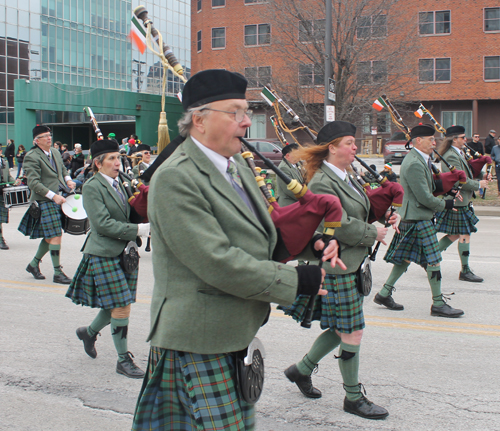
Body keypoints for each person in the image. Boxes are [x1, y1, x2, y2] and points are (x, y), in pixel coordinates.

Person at [132, 69, 341, 431]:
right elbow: (216, 261)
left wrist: (314, 242)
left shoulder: (237, 166)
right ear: (199, 120)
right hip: (197, 338)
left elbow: (263, 230)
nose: (247, 122)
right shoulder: (175, 178)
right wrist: (293, 280)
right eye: (236, 112)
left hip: (232, 331)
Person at [280, 121, 393, 420]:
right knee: (353, 330)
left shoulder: (348, 175)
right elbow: (337, 223)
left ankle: (300, 370)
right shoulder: (321, 181)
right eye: (348, 142)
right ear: (331, 148)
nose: (355, 147)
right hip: (336, 265)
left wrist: (383, 212)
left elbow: (360, 208)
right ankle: (353, 397)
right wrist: (373, 234)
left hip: (353, 263)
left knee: (342, 326)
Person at [65, 139, 150, 379]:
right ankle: (123, 360)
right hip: (104, 251)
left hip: (126, 253)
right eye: (111, 158)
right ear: (97, 163)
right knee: (121, 305)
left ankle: (88, 332)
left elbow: (130, 211)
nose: (117, 162)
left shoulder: (121, 183)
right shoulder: (92, 187)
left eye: (119, 158)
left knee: (114, 304)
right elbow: (102, 224)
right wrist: (140, 230)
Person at [373, 124, 464, 317]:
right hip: (418, 217)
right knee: (433, 261)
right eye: (431, 139)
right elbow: (423, 196)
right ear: (418, 141)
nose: (434, 143)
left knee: (405, 260)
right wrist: (446, 204)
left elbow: (430, 186)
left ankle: (384, 293)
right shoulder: (414, 163)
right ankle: (438, 303)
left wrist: (450, 189)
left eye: (434, 139)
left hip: (416, 216)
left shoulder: (421, 159)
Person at [18, 126, 75, 284]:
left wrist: (68, 180)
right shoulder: (32, 156)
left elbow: (63, 170)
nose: (49, 138)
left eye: (50, 135)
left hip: (58, 197)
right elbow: (33, 183)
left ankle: (33, 264)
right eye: (45, 136)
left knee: (51, 235)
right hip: (44, 199)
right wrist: (53, 196)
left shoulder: (56, 152)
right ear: (36, 141)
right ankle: (57, 272)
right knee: (55, 234)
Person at [434, 126, 490, 282]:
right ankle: (465, 271)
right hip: (456, 200)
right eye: (463, 137)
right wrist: (479, 185)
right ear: (454, 139)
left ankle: (429, 256)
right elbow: (459, 179)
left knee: (456, 234)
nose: (466, 140)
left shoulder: (458, 153)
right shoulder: (450, 156)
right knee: (464, 233)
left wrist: (482, 175)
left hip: (462, 200)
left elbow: (467, 173)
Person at [0, 147, 22, 249]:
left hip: (2, 192)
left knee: (0, 218)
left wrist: (14, 181)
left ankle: (0, 238)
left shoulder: (4, 162)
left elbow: (8, 176)